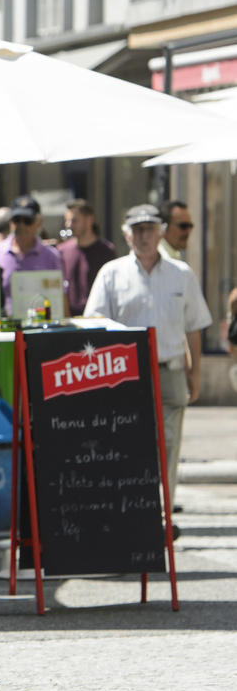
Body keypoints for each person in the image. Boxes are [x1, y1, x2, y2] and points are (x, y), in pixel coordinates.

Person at [85, 204, 211, 508]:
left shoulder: (181, 274)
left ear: (161, 233)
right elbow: (94, 325)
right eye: (138, 230)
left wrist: (195, 373)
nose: (144, 236)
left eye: (150, 229)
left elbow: (194, 327)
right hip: (125, 373)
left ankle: (162, 513)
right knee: (128, 442)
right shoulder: (112, 274)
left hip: (170, 370)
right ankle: (132, 508)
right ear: (127, 236)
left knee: (168, 445)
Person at [0, 194, 62, 315]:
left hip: (41, 329)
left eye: (27, 220)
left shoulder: (51, 256)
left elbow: (61, 298)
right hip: (4, 330)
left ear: (39, 222)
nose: (21, 225)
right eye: (17, 220)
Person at [58, 199, 116, 317]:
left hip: (98, 320)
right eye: (67, 221)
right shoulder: (62, 251)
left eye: (74, 220)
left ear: (89, 219)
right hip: (69, 323)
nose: (69, 225)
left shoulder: (107, 251)